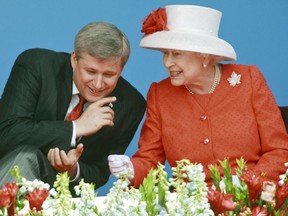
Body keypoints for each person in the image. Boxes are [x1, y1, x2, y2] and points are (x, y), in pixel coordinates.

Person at [108, 5, 288, 188]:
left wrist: (251, 186)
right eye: (165, 53)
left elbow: (278, 149)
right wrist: (131, 169)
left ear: (204, 56)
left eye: (177, 54)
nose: (167, 62)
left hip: (252, 202)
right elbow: (150, 160)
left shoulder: (248, 80)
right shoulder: (160, 94)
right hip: (192, 205)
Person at [0, 22, 146, 194]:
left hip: (59, 197)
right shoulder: (36, 65)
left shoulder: (131, 104)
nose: (98, 84)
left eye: (108, 75)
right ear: (74, 59)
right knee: (26, 158)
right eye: (91, 71)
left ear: (121, 70)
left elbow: (100, 173)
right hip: (7, 171)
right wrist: (76, 128)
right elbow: (7, 133)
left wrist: (72, 170)